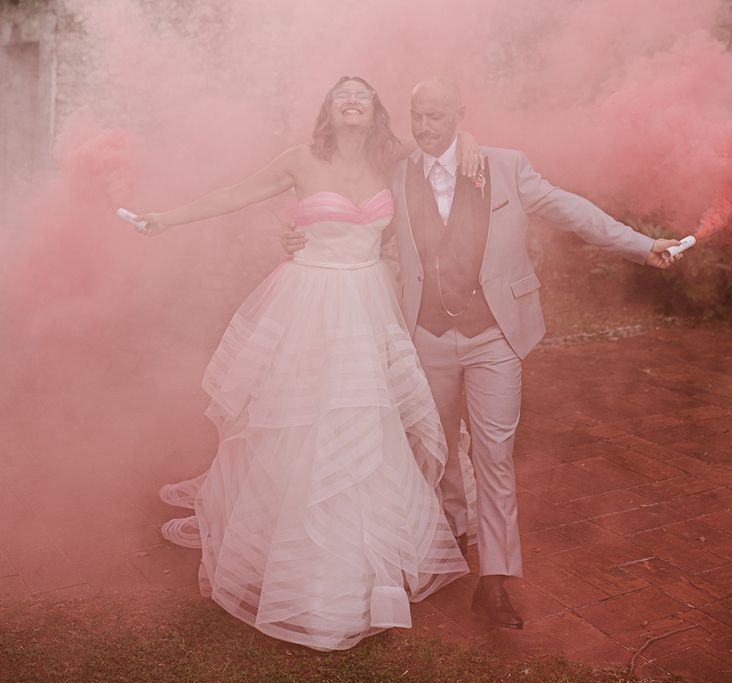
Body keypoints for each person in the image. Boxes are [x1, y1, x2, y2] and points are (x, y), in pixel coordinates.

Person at [282, 76, 683, 630]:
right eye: (418, 117)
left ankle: (494, 583)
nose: (424, 128)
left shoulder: (506, 166)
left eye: (437, 117)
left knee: (493, 456)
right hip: (426, 335)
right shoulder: (396, 173)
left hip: (496, 335)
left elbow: (570, 210)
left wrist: (642, 245)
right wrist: (300, 236)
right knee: (438, 448)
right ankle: (448, 543)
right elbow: (352, 217)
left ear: (461, 116)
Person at [133, 76, 485, 651]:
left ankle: (366, 560)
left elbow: (444, 150)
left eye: (363, 93)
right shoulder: (300, 159)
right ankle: (299, 557)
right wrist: (168, 217)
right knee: (305, 419)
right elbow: (234, 194)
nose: (352, 99)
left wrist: (466, 138)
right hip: (309, 300)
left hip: (370, 300)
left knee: (368, 421)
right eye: (341, 92)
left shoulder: (395, 159)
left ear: (376, 111)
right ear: (328, 108)